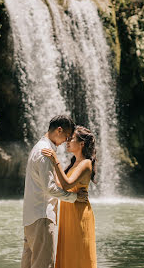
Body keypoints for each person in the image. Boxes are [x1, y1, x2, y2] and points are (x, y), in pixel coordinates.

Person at [21, 115, 88, 268]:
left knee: (28, 264)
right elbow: (49, 188)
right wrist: (74, 198)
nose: (67, 141)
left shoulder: (38, 147)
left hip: (30, 217)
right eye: (67, 136)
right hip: (42, 216)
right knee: (44, 265)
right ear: (59, 130)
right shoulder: (45, 152)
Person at [42, 126, 97, 268]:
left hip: (79, 213)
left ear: (81, 143)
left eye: (71, 138)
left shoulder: (86, 163)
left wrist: (55, 160)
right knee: (68, 252)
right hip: (69, 212)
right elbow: (60, 184)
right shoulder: (74, 164)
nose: (67, 141)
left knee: (78, 254)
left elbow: (67, 185)